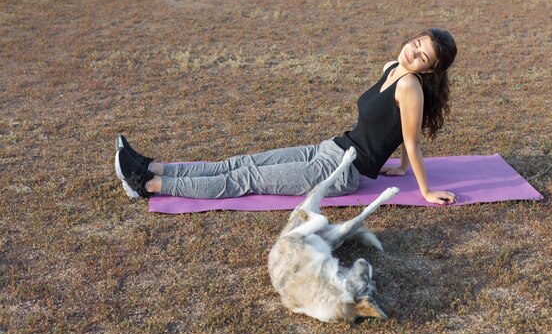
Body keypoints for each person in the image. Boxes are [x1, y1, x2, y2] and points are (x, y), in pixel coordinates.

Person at [115, 28, 457, 205]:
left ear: (431, 69)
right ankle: (155, 166)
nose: (413, 51)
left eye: (423, 55)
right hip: (330, 149)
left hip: (341, 173)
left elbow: (410, 140)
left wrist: (424, 190)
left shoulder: (411, 86)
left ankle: (147, 185)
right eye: (416, 42)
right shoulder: (393, 68)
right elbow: (396, 128)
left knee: (245, 180)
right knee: (242, 162)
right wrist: (398, 167)